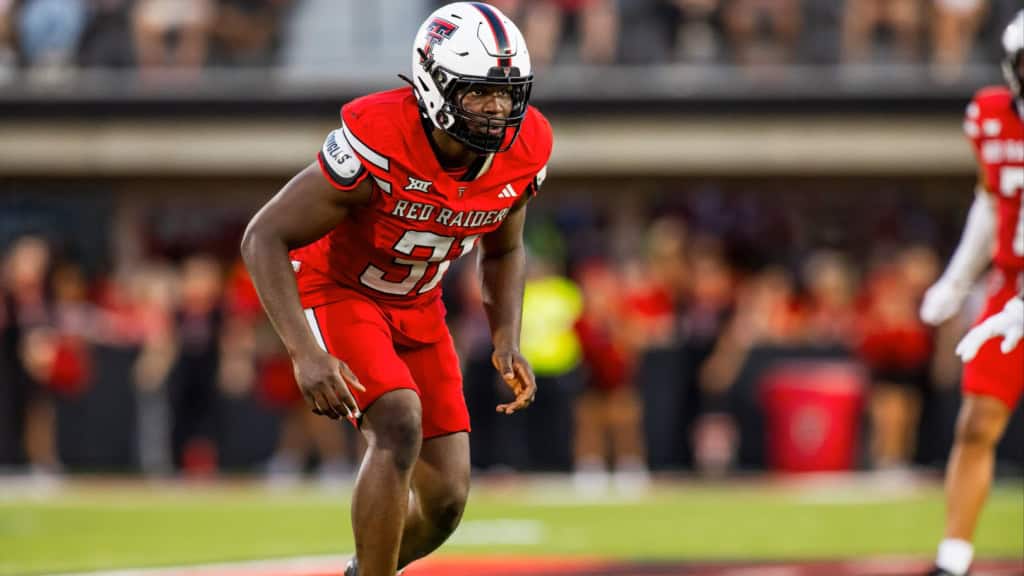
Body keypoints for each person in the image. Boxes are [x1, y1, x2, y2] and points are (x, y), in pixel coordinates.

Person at [240, 3, 551, 575]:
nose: (498, 109)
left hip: (418, 305)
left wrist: (506, 336)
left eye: (508, 93)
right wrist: (304, 352)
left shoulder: (523, 149)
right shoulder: (380, 138)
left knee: (447, 501)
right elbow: (264, 236)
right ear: (434, 84)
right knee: (399, 421)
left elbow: (503, 248)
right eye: (480, 93)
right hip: (340, 289)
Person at [919, 10, 1024, 576]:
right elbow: (990, 201)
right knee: (977, 420)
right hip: (1008, 283)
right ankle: (953, 560)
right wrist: (957, 280)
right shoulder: (989, 116)